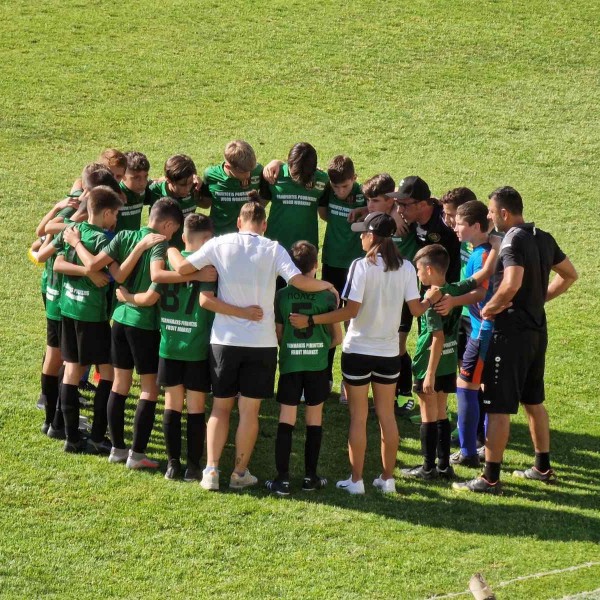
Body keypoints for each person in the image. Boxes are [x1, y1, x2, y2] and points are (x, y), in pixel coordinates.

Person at [166, 201, 339, 491]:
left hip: (224, 341)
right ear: (264, 225)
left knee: (220, 408)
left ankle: (211, 470)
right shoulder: (273, 248)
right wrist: (327, 286)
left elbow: (182, 267)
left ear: (238, 222)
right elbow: (298, 280)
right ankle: (239, 473)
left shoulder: (219, 244)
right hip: (261, 343)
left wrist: (170, 247)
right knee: (249, 412)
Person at [290, 212, 435, 495]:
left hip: (357, 351)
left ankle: (356, 481)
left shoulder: (361, 266)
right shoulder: (406, 267)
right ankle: (387, 478)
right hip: (389, 353)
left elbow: (350, 311)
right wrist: (431, 297)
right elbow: (417, 309)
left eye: (363, 233)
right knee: (386, 417)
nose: (359, 236)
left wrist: (313, 320)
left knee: (358, 417)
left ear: (373, 236)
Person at [454, 186, 577, 494]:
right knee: (533, 401)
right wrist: (539, 300)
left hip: (510, 335)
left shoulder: (511, 240)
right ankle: (542, 467)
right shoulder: (543, 237)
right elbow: (570, 274)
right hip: (537, 331)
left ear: (505, 214)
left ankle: (490, 478)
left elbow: (511, 283)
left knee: (497, 407)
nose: (490, 217)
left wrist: (491, 309)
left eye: (492, 213)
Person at [63, 198, 192, 468]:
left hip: (118, 322)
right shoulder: (161, 247)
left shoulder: (123, 235)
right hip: (143, 325)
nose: (172, 236)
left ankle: (117, 449)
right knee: (148, 390)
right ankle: (137, 454)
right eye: (173, 230)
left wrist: (123, 293)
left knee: (120, 384)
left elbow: (113, 271)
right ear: (167, 225)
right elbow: (151, 297)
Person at [116, 214, 242, 481]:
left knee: (172, 404)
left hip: (169, 347)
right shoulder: (210, 269)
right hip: (196, 348)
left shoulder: (167, 266)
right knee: (196, 407)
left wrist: (125, 296)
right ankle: (193, 466)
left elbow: (150, 297)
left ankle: (173, 465)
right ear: (210, 240)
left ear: (184, 237)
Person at [49, 186, 123, 453]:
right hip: (92, 315)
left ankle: (70, 437)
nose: (116, 219)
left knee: (72, 370)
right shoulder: (104, 240)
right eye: (115, 214)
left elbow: (55, 263)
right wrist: (91, 271)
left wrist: (75, 246)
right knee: (110, 374)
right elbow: (107, 270)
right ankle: (96, 436)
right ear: (105, 214)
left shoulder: (72, 231)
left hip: (68, 308)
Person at [266, 241, 342, 495]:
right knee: (314, 419)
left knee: (286, 418)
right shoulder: (328, 295)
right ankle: (310, 477)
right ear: (316, 264)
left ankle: (283, 479)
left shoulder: (282, 295)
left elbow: (278, 333)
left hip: (290, 363)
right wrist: (319, 347)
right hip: (317, 364)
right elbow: (337, 337)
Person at [401, 244, 479, 481]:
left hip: (430, 364)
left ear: (429, 269)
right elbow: (477, 280)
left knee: (428, 414)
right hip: (447, 361)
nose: (417, 274)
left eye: (418, 269)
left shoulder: (431, 300)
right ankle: (444, 466)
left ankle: (427, 468)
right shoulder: (454, 291)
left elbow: (437, 337)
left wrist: (430, 374)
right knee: (442, 414)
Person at [387, 176, 461, 404]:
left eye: (404, 205)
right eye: (397, 204)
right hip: (426, 292)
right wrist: (393, 214)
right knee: (425, 340)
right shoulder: (408, 216)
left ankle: (436, 402)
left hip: (446, 296)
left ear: (422, 204)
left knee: (441, 346)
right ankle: (430, 402)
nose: (399, 209)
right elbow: (379, 198)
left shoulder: (444, 223)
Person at [433, 200, 495, 468]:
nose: (454, 228)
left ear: (476, 226)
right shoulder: (477, 249)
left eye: (459, 224)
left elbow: (482, 292)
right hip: (478, 328)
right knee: (481, 386)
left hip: (482, 330)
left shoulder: (482, 255)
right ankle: (478, 445)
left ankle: (470, 450)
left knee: (467, 386)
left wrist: (452, 300)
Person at [360, 173, 418, 408]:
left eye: (375, 201)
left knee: (399, 344)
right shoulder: (374, 220)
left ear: (390, 201)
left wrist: (396, 213)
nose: (369, 206)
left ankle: (405, 394)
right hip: (380, 291)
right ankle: (388, 393)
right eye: (368, 201)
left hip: (403, 293)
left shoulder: (405, 219)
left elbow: (431, 201)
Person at [318, 155, 366, 398]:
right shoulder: (326, 190)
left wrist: (366, 208)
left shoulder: (364, 194)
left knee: (352, 323)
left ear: (354, 179)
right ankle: (324, 377)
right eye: (335, 186)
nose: (339, 191)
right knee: (328, 320)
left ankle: (349, 383)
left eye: (344, 186)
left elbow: (388, 201)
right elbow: (324, 213)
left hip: (355, 267)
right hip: (331, 263)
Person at [261, 142, 328, 253]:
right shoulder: (273, 176)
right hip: (275, 249)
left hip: (306, 252)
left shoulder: (323, 180)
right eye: (296, 174)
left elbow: (324, 214)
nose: (300, 179)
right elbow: (259, 205)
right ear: (289, 164)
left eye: (305, 175)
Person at [199, 140, 264, 235]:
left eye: (250, 170)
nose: (248, 174)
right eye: (243, 172)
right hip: (220, 236)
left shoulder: (258, 171)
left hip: (247, 237)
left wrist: (277, 162)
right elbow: (206, 203)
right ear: (228, 167)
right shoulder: (211, 175)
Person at [148, 154, 201, 248]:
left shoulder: (196, 186)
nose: (187, 188)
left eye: (189, 183)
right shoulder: (154, 191)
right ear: (168, 180)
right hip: (160, 250)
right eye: (182, 185)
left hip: (186, 250)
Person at [116, 151, 152, 232]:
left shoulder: (144, 190)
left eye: (145, 176)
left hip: (133, 242)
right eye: (136, 178)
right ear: (122, 175)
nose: (142, 183)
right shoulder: (113, 193)